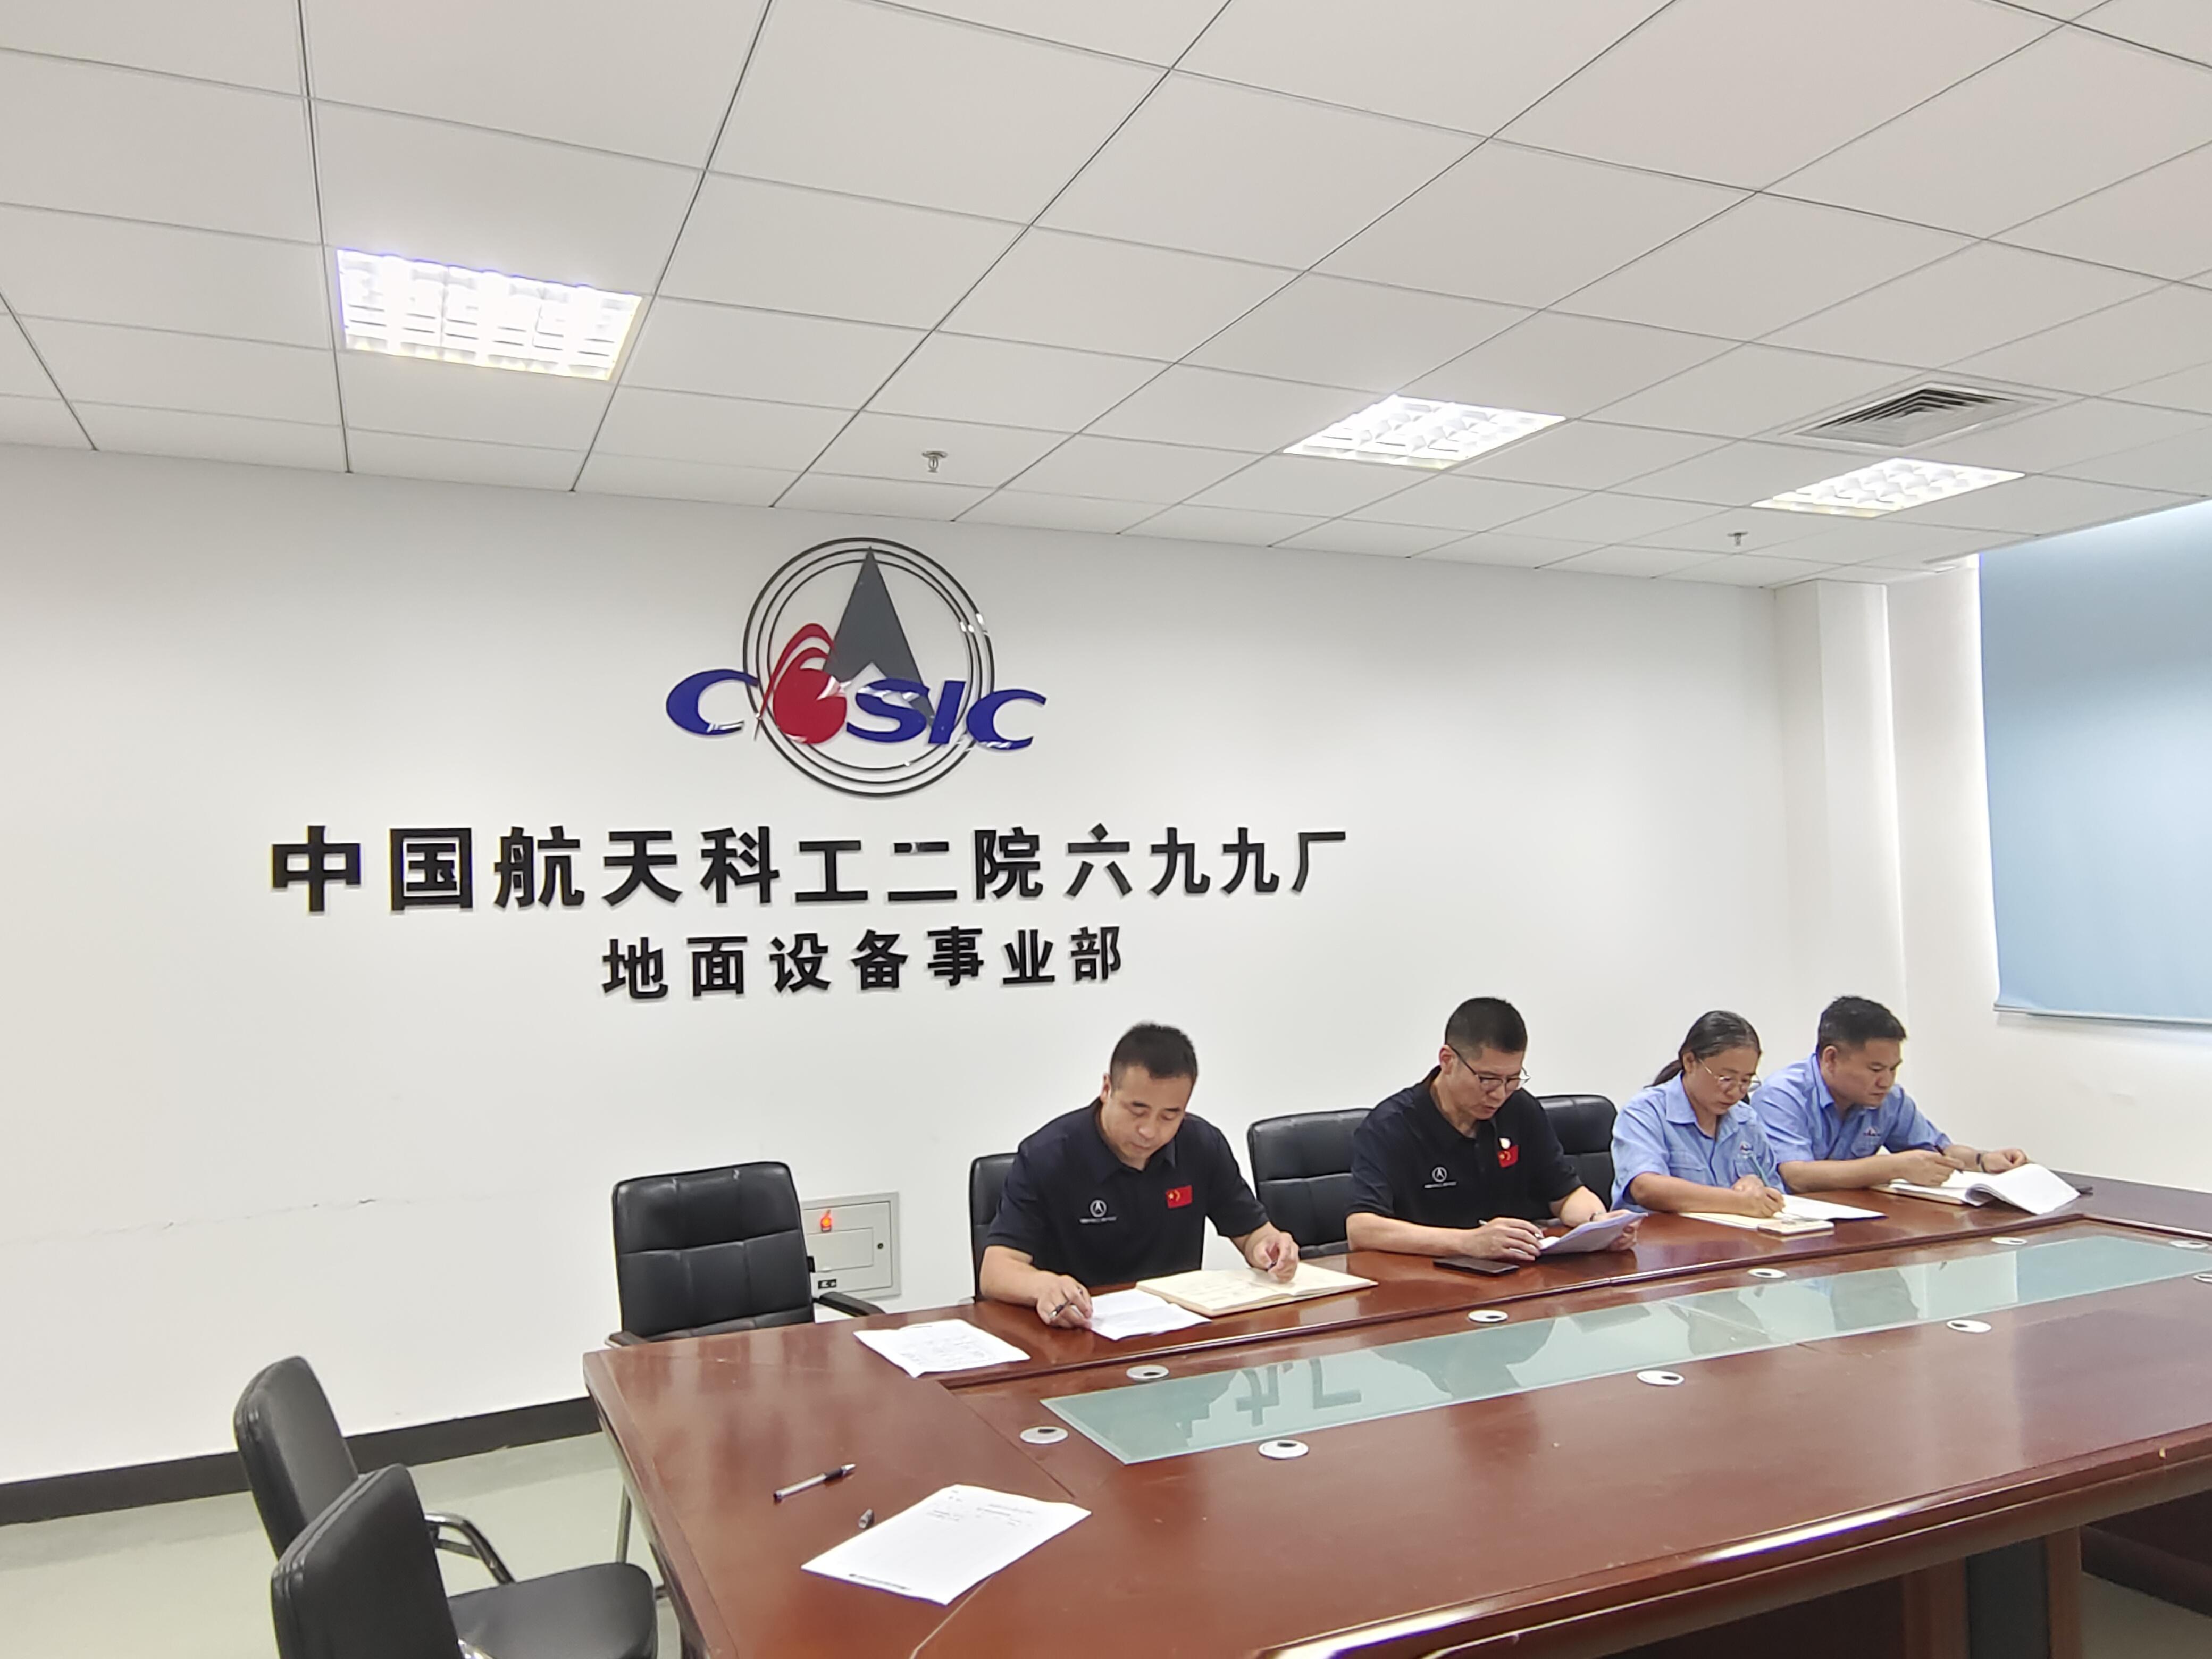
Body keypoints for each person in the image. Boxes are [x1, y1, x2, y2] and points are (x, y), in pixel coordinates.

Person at [979, 1023, 1298, 1329]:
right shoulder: (1047, 1156)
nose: (1149, 1131)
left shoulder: (1202, 1145)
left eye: (1169, 1116)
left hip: (1178, 1334)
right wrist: (1043, 1286)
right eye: (1137, 1111)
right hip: (1077, 1335)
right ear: (1107, 1089)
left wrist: (1270, 1248)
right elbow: (995, 1270)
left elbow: (1253, 1234)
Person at [1346, 997, 1636, 1262]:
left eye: (1512, 1079)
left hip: (1516, 1276)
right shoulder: (1390, 1126)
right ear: (1447, 1060)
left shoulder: (1519, 1109)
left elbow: (1567, 1194)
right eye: (1487, 1079)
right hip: (1425, 1279)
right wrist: (1468, 1242)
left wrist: (1599, 1224)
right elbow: (1362, 1230)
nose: (1499, 1094)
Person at [1752, 996, 2027, 1194]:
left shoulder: (1890, 1099)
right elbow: (1798, 1176)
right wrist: (1894, 1167)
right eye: (1875, 1069)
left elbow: (1937, 1150)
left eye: (1893, 1069)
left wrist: (1984, 1160)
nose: (1886, 1081)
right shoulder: (1782, 1094)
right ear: (1831, 1059)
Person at [1611, 1011, 1787, 1216]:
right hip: (1661, 1234)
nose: (1735, 1092)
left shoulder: (1746, 1120)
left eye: (1746, 1081)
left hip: (1733, 1234)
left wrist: (1756, 1185)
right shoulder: (1645, 1112)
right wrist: (1738, 1202)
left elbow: (1776, 1192)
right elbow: (1646, 1187)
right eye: (1726, 1078)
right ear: (1690, 1062)